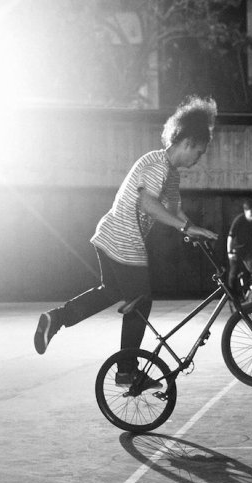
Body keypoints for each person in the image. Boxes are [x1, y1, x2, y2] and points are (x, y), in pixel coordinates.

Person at [33, 96, 220, 385]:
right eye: (198, 152)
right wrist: (185, 227)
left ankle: (55, 318)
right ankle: (126, 370)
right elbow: (148, 204)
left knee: (111, 292)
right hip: (124, 239)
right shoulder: (158, 165)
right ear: (187, 143)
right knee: (141, 302)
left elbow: (174, 211)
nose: (198, 160)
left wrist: (194, 230)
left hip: (110, 235)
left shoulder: (169, 173)